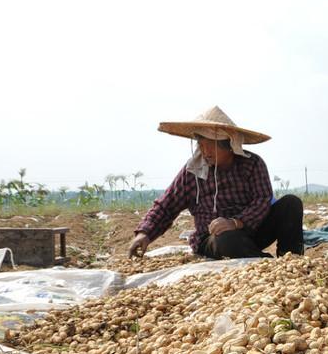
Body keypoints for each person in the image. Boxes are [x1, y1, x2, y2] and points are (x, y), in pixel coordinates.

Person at [127, 106, 304, 259]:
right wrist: (144, 234)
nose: (205, 151)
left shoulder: (252, 164)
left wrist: (236, 222)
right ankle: (267, 265)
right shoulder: (193, 171)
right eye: (201, 145)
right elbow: (166, 205)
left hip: (251, 231)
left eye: (211, 145)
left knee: (291, 203)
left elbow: (262, 200)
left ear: (230, 144)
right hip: (214, 239)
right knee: (226, 239)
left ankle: (291, 259)